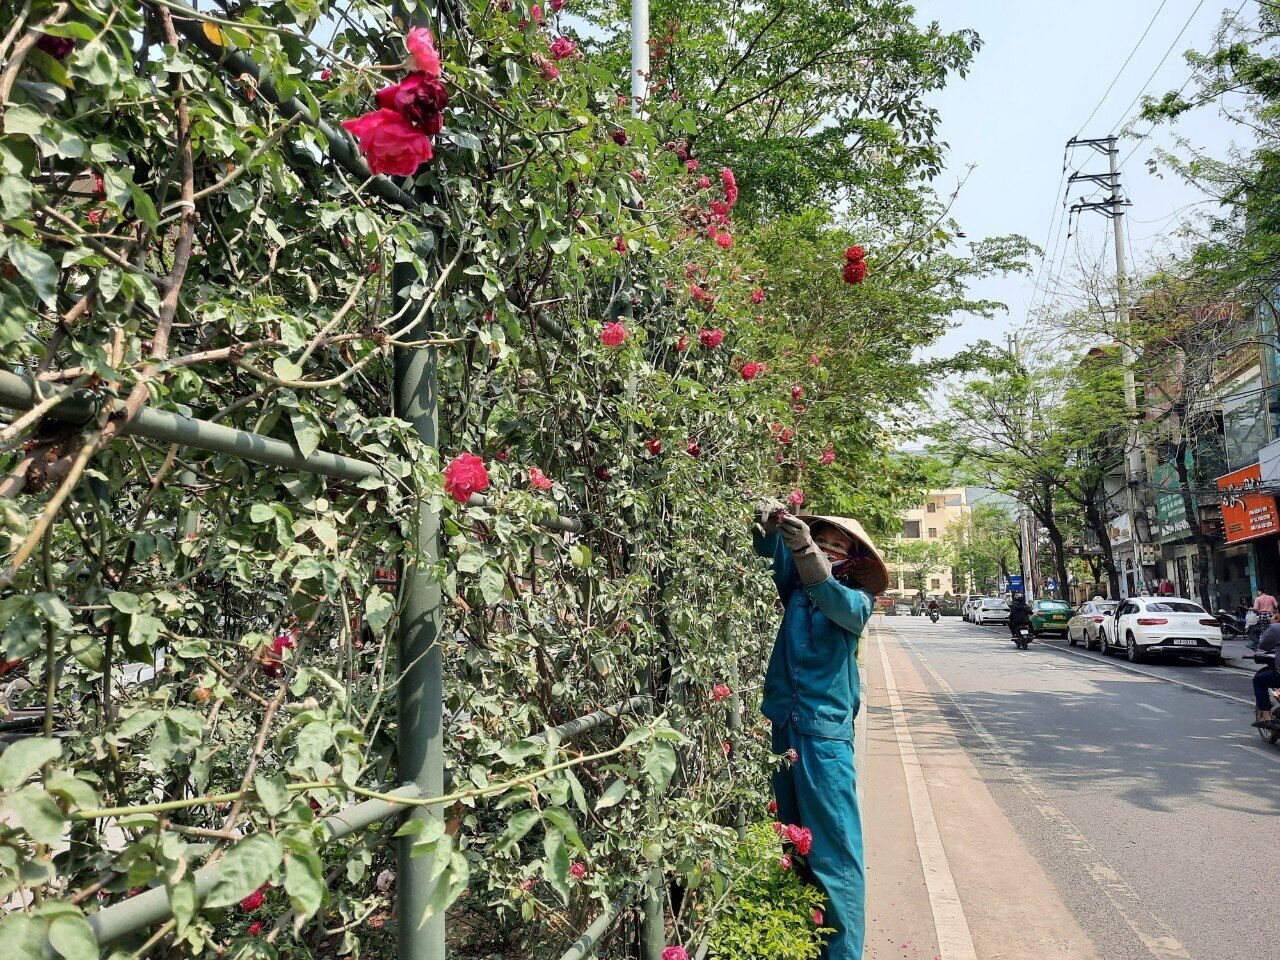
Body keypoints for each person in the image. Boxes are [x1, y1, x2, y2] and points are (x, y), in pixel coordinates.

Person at [753, 500, 889, 960]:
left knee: (834, 853)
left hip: (825, 734)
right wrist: (770, 522)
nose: (827, 549)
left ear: (852, 559)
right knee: (792, 840)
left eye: (836, 546)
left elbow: (834, 599)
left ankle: (843, 954)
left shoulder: (855, 600)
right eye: (821, 541)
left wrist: (809, 553)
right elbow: (770, 552)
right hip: (786, 726)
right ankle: (801, 940)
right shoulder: (796, 588)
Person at [1251, 622, 1280, 728]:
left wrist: (1273, 624)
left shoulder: (1276, 628)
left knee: (1258, 680)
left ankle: (1266, 717)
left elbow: (1263, 645)